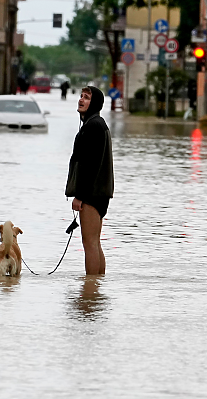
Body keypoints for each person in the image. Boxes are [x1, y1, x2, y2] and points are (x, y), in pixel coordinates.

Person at [66, 86, 114, 275]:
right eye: (81, 96)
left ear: (94, 104)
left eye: (86, 98)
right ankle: (97, 288)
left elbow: (89, 165)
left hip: (92, 194)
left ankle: (90, 292)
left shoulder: (94, 126)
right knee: (94, 241)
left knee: (90, 243)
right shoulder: (96, 124)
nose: (81, 100)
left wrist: (79, 196)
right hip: (98, 192)